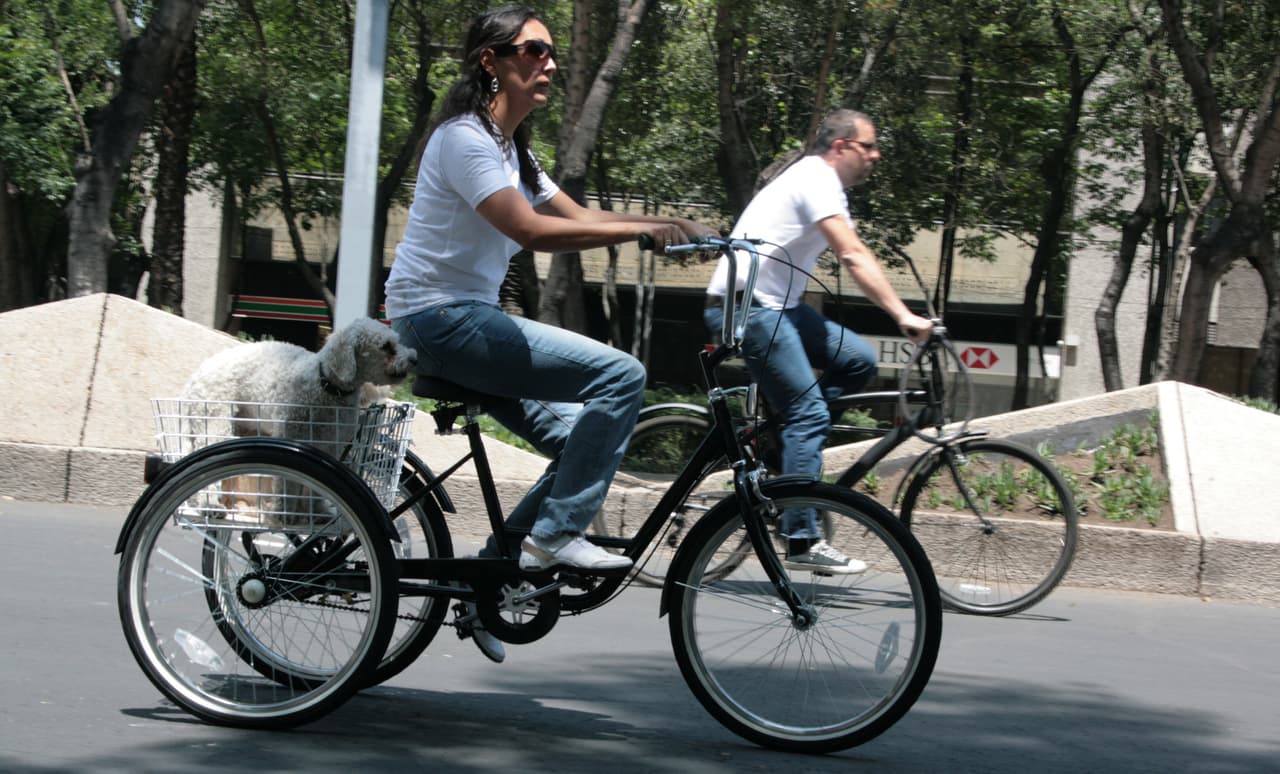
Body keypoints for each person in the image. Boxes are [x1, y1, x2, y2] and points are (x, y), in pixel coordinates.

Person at [385, 5, 714, 661]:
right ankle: (553, 537)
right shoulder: (464, 140)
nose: (550, 65)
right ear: (492, 61)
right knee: (621, 377)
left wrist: (667, 225)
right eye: (534, 51)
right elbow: (532, 231)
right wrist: (641, 229)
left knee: (580, 442)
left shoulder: (514, 152)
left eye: (552, 54)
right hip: (438, 318)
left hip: (469, 319)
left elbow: (578, 215)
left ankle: (497, 573)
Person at [703, 109, 933, 575]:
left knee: (857, 360)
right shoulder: (816, 179)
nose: (876, 154)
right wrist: (904, 316)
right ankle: (802, 536)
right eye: (868, 145)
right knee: (809, 413)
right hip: (747, 307)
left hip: (776, 307)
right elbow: (852, 253)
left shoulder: (823, 182)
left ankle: (784, 459)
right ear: (840, 146)